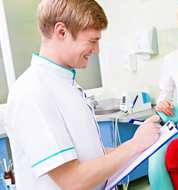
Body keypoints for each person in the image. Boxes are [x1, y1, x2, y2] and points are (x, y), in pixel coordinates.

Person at [3, 0, 160, 189]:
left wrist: (137, 147)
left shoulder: (63, 84)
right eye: (92, 41)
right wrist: (134, 145)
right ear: (61, 32)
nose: (96, 50)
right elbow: (72, 180)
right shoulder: (33, 92)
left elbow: (87, 154)